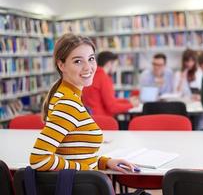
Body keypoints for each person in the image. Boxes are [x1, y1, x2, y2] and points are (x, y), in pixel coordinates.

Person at [29, 33, 136, 173]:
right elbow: (39, 159)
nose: (88, 67)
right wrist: (87, 170)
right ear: (61, 65)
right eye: (78, 61)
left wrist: (105, 162)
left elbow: (72, 154)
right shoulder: (68, 104)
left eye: (91, 59)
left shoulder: (69, 95)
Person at [82, 51, 139, 116]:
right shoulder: (104, 78)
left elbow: (109, 100)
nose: (115, 68)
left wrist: (127, 101)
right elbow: (112, 108)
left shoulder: (91, 75)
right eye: (115, 64)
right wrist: (131, 105)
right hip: (102, 119)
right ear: (109, 63)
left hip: (90, 117)